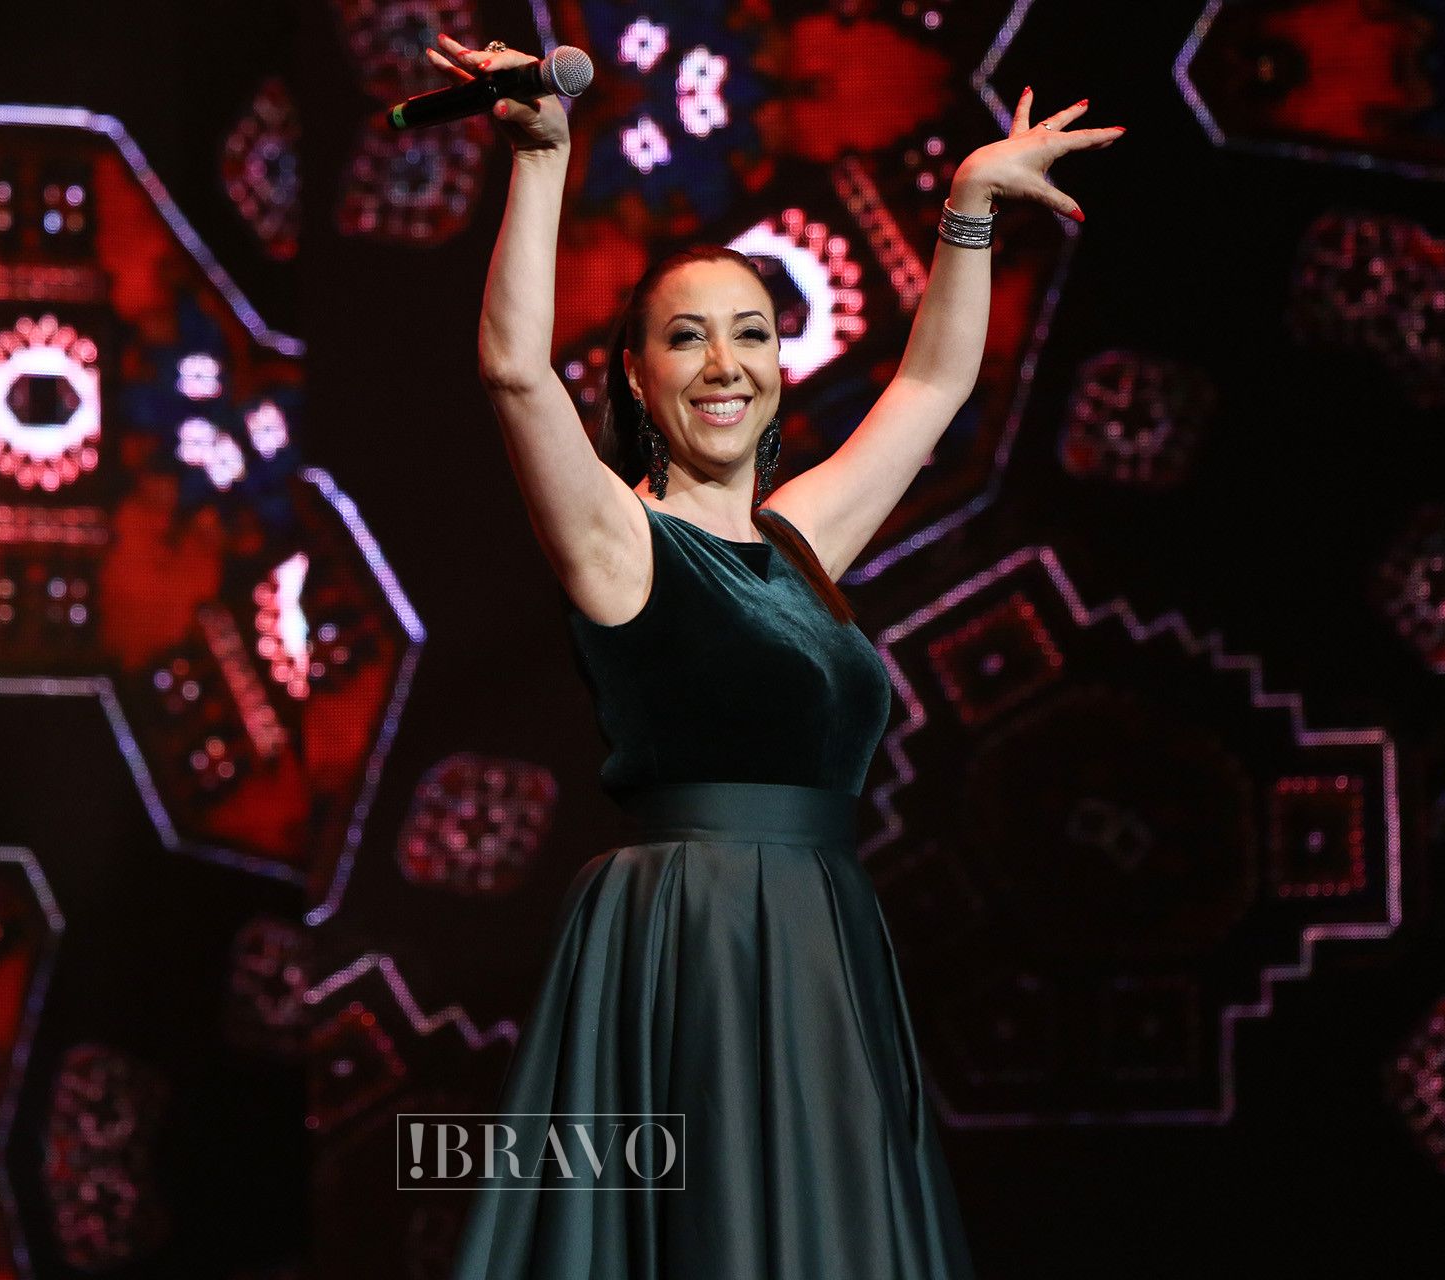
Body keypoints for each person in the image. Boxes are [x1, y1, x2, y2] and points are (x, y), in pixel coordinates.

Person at [427, 32, 1122, 1279]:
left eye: (751, 333)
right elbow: (513, 371)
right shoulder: (620, 542)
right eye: (685, 338)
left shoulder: (799, 541)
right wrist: (541, 161)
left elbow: (933, 384)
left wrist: (969, 200)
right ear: (636, 375)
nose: (724, 364)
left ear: (781, 365)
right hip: (691, 938)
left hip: (819, 933)